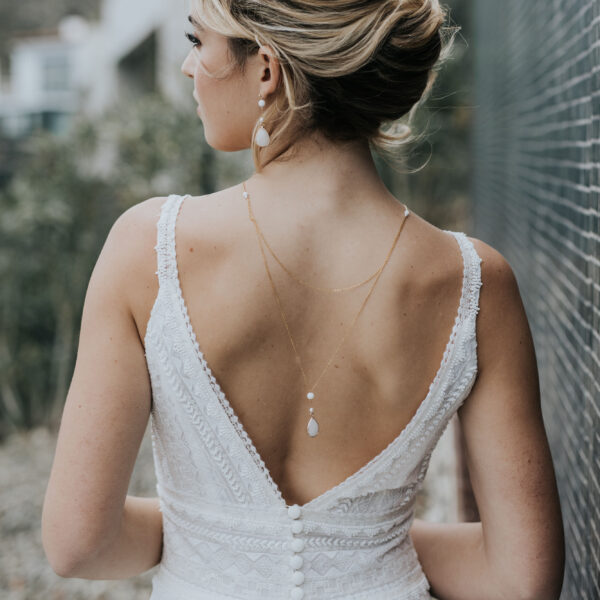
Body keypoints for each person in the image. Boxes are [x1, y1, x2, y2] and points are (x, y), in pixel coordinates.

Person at [41, 1, 565, 598]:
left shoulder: (149, 250)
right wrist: (366, 543)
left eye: (199, 40)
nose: (190, 66)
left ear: (266, 70)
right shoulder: (475, 284)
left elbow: (78, 542)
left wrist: (215, 534)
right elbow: (522, 580)